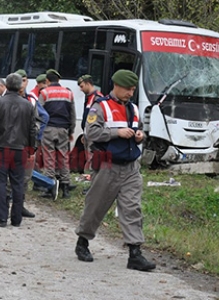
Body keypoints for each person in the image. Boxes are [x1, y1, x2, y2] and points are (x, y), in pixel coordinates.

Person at [74, 70, 156, 272]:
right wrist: (116, 132)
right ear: (116, 86)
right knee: (96, 206)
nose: (130, 92)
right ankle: (82, 242)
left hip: (130, 168)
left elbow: (140, 129)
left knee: (132, 208)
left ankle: (134, 253)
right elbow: (90, 132)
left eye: (133, 89)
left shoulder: (134, 108)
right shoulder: (100, 107)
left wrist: (140, 136)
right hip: (107, 166)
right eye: (128, 89)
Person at [0, 73, 36, 227]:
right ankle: (16, 219)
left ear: (6, 85)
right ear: (20, 86)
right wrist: (31, 150)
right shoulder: (28, 105)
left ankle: (1, 218)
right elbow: (32, 130)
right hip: (20, 150)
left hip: (0, 148)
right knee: (18, 183)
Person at [15, 69, 59, 203]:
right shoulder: (10, 98)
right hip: (14, 141)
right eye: (19, 80)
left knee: (23, 171)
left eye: (24, 80)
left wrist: (36, 136)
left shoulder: (31, 99)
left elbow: (44, 117)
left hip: (25, 141)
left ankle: (49, 183)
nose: (21, 84)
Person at [38, 69, 76, 199]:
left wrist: (39, 130)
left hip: (49, 128)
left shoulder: (44, 93)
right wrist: (71, 130)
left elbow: (39, 113)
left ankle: (50, 187)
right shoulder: (69, 93)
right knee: (64, 157)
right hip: (63, 129)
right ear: (58, 80)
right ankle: (65, 188)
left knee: (49, 157)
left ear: (47, 81)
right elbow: (72, 114)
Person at [77, 74, 104, 194]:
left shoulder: (97, 98)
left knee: (94, 161)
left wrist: (90, 133)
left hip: (94, 135)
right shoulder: (90, 97)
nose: (80, 89)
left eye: (82, 86)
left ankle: (94, 187)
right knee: (90, 160)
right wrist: (84, 133)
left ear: (88, 83)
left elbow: (95, 119)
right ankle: (93, 185)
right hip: (89, 134)